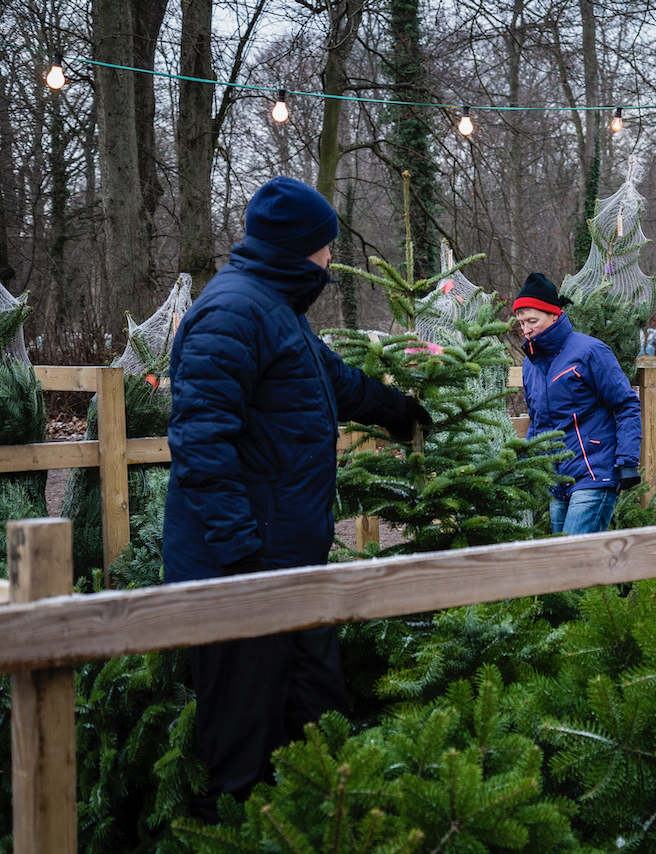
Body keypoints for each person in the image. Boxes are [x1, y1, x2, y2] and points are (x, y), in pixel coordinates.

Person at [163, 176, 432, 821]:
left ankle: (319, 827)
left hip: (289, 564)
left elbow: (333, 381)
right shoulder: (231, 313)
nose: (332, 258)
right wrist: (243, 556)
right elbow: (201, 444)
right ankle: (233, 833)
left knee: (316, 711)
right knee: (242, 736)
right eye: (326, 246)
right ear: (296, 248)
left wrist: (397, 410)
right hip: (242, 571)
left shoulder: (277, 312)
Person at [516, 272, 642, 534]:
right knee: (561, 557)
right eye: (521, 323)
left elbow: (626, 404)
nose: (526, 329)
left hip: (594, 474)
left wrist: (627, 460)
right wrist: (528, 466)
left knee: (575, 556)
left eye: (532, 321)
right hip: (556, 481)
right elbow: (538, 423)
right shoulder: (530, 365)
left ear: (554, 315)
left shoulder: (589, 352)